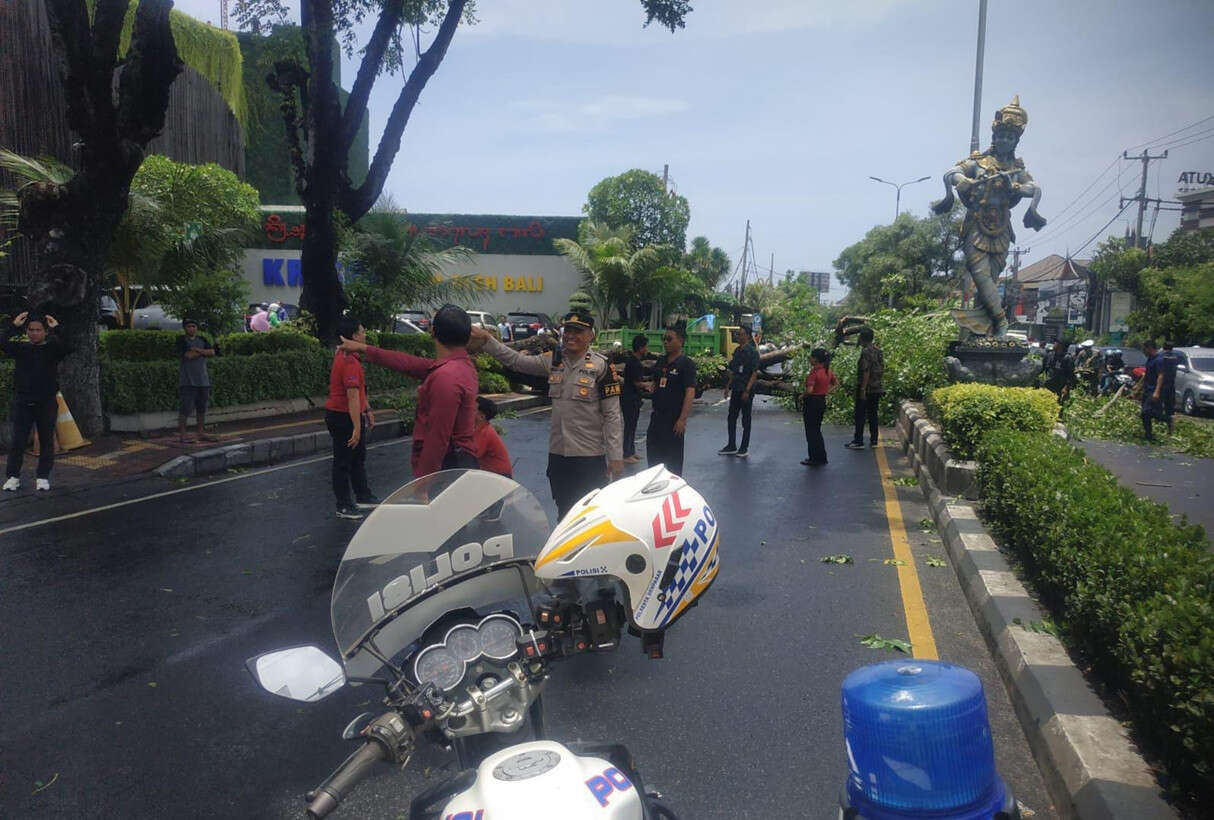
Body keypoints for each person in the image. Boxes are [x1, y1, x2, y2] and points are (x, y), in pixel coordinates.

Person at [471, 310, 623, 519]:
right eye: (567, 330)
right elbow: (516, 361)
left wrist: (615, 458)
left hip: (589, 457)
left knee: (589, 516)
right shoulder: (553, 361)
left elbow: (613, 416)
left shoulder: (602, 367)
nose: (570, 335)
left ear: (590, 335)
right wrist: (488, 341)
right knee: (563, 511)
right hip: (558, 456)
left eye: (578, 331)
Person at [340, 304, 479, 478]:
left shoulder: (446, 377)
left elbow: (437, 438)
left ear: (432, 332)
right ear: (467, 338)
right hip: (458, 463)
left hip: (448, 466)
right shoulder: (460, 367)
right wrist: (364, 348)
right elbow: (408, 363)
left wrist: (423, 485)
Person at [3, 312, 70, 492]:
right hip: (23, 402)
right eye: (31, 330)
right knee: (18, 441)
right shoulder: (21, 349)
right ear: (27, 332)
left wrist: (57, 327)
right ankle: (13, 477)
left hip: (46, 402)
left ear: (45, 332)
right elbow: (2, 344)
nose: (34, 333)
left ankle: (42, 477)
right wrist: (14, 326)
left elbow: (69, 346)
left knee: (46, 440)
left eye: (38, 330)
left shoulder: (52, 350)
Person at [325, 316, 377, 519]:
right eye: (362, 331)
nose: (365, 334)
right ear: (354, 335)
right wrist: (357, 427)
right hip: (342, 417)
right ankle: (344, 505)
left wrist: (367, 410)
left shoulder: (349, 356)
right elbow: (352, 396)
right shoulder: (348, 361)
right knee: (343, 462)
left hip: (350, 415)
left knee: (357, 459)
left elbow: (360, 393)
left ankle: (363, 496)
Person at [644, 324, 696, 475]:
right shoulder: (661, 361)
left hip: (674, 422)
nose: (665, 342)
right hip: (657, 419)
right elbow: (656, 382)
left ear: (680, 341)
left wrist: (682, 420)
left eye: (669, 339)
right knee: (653, 468)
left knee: (673, 468)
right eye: (664, 339)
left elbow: (690, 392)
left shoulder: (686, 364)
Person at [719, 325, 759, 458]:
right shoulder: (737, 351)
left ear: (747, 336)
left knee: (746, 419)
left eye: (741, 334)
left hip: (746, 389)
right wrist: (727, 387)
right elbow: (733, 371)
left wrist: (747, 390)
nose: (739, 336)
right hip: (736, 388)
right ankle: (731, 445)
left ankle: (744, 447)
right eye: (738, 334)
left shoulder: (752, 352)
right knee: (731, 417)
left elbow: (754, 373)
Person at [176, 318, 218, 444]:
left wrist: (198, 350)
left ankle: (200, 432)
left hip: (203, 379)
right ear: (185, 328)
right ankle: (183, 434)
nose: (191, 329)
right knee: (186, 408)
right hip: (188, 380)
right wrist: (203, 352)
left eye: (194, 326)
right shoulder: (181, 340)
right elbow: (187, 355)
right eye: (189, 326)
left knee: (201, 407)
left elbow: (212, 352)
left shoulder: (202, 340)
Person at [846, 326, 884, 450]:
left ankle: (858, 441)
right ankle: (874, 440)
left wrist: (863, 389)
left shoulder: (866, 351)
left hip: (867, 388)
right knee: (873, 414)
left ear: (861, 338)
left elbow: (866, 371)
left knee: (860, 414)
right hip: (877, 387)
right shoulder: (878, 350)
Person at [801, 347, 839, 466]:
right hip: (821, 401)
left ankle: (814, 458)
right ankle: (822, 457)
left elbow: (809, 390)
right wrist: (825, 392)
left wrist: (801, 396)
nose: (809, 359)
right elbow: (836, 384)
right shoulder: (827, 371)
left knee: (811, 432)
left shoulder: (815, 372)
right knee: (817, 430)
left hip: (812, 402)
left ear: (816, 359)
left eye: (811, 357)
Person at [621, 334, 649, 463]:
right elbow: (636, 382)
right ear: (640, 348)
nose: (647, 349)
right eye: (646, 346)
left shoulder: (634, 361)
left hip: (632, 397)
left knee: (632, 425)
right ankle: (626, 454)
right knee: (630, 426)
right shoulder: (634, 363)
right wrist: (648, 385)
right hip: (630, 398)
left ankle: (631, 451)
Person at [472, 396, 512, 477]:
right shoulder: (481, 428)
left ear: (481, 417)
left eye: (472, 409)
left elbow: (473, 455)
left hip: (500, 476)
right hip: (492, 474)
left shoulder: (485, 432)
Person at [1140, 339, 1166, 441]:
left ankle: (1167, 419)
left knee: (1145, 412)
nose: (1144, 351)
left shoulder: (1159, 360)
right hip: (1147, 389)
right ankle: (1148, 434)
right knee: (1145, 414)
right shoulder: (1150, 359)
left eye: (1144, 349)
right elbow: (1146, 375)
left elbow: (1161, 376)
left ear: (1149, 348)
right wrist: (1138, 387)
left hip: (1153, 390)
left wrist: (1157, 391)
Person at [1043, 339, 1076, 403]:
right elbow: (1045, 368)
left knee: (1058, 404)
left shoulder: (1067, 358)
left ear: (1061, 346)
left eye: (1056, 343)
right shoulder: (1050, 355)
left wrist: (1066, 387)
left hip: (1060, 386)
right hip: (1049, 384)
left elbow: (1070, 375)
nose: (1054, 344)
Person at [1159, 341, 1180, 435]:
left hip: (1161, 384)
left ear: (1164, 347)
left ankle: (1160, 426)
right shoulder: (1175, 357)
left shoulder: (1161, 356)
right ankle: (1170, 428)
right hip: (1171, 384)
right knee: (1169, 407)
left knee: (1158, 406)